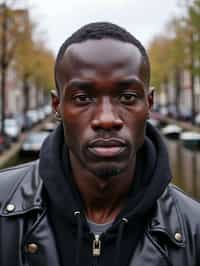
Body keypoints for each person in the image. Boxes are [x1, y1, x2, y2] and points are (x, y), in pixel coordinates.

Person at [0, 22, 200, 266]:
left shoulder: (194, 229)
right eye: (83, 98)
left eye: (127, 97)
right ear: (57, 107)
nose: (107, 119)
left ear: (149, 104)